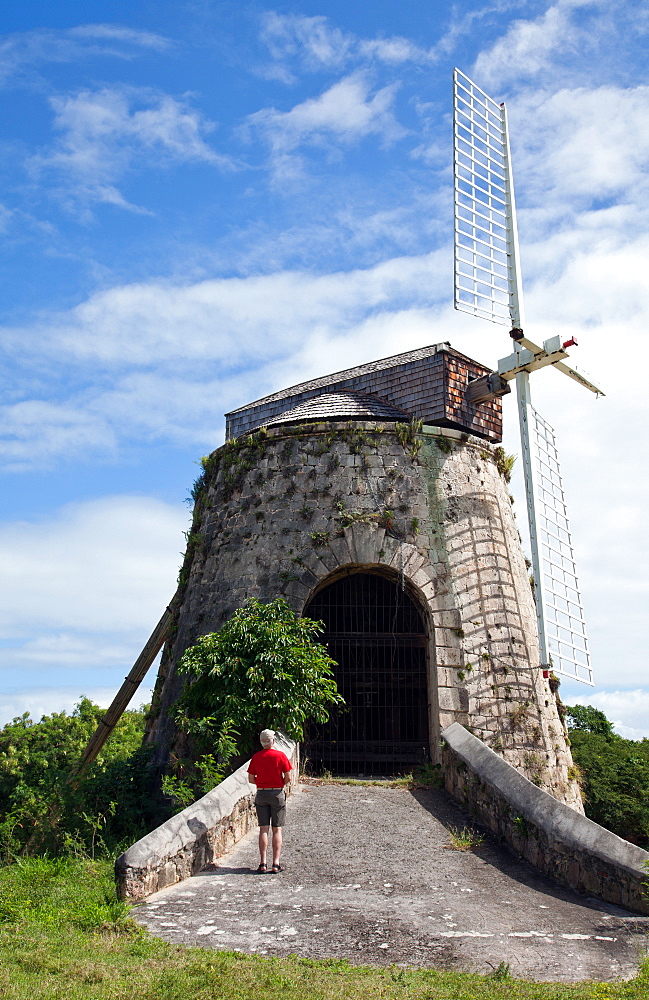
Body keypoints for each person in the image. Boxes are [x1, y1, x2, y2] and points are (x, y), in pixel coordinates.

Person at [247, 729, 292, 874]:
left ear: (261, 742)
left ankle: (262, 863)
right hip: (277, 792)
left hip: (261, 793)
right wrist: (280, 784)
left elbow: (251, 779)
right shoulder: (280, 756)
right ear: (273, 741)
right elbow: (288, 776)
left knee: (263, 829)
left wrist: (262, 783)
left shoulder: (256, 757)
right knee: (277, 829)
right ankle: (276, 863)